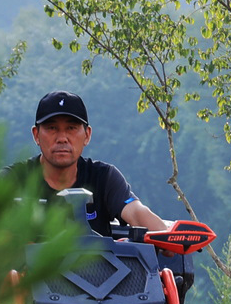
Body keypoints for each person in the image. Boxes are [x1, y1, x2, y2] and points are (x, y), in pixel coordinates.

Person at [13, 90, 169, 233]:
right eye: (52, 128)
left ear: (87, 135)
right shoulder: (14, 180)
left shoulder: (104, 178)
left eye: (71, 128)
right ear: (36, 135)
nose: (62, 138)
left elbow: (135, 211)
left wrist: (167, 236)